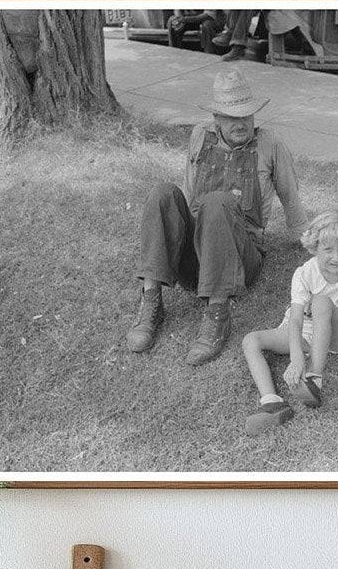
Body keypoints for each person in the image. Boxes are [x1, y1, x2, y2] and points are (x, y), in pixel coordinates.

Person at [125, 68, 308, 366]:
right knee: (162, 192)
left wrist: (310, 245)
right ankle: (151, 302)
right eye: (232, 116)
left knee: (217, 202)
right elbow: (186, 191)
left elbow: (292, 200)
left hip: (241, 254)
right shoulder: (200, 136)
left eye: (246, 116)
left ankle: (218, 314)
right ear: (216, 118)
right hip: (195, 256)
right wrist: (176, 225)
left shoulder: (270, 144)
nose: (241, 123)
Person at [241, 211, 338, 434]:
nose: (336, 257)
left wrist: (332, 308)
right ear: (314, 247)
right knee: (251, 340)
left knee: (320, 301)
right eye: (327, 249)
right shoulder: (304, 273)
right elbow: (296, 319)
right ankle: (272, 403)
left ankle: (314, 378)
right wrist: (296, 357)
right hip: (307, 332)